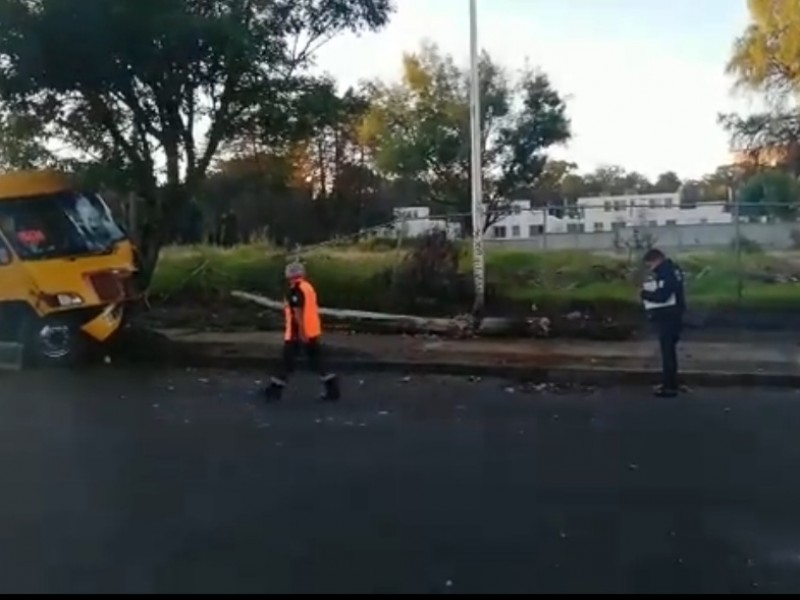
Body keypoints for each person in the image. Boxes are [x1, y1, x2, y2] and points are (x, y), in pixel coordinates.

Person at [264, 261, 340, 402]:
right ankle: (332, 387)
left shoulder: (295, 290)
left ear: (288, 275)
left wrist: (301, 333)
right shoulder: (308, 287)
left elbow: (297, 312)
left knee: (288, 362)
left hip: (297, 333)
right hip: (312, 331)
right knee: (316, 361)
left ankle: (274, 390)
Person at [640, 248, 685, 398]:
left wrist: (645, 294)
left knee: (667, 353)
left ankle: (669, 387)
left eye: (650, 265)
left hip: (669, 316)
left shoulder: (666, 271)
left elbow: (663, 296)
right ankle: (671, 383)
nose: (651, 268)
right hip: (675, 314)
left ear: (656, 260)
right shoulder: (673, 269)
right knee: (669, 352)